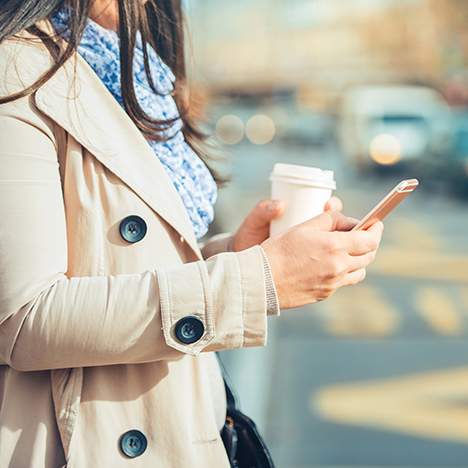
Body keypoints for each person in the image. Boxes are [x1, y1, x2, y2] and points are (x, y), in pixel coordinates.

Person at [0, 1, 384, 467]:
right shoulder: (18, 69)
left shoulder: (140, 67)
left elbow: (119, 260)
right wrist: (252, 279)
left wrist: (238, 255)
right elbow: (22, 319)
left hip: (184, 427)